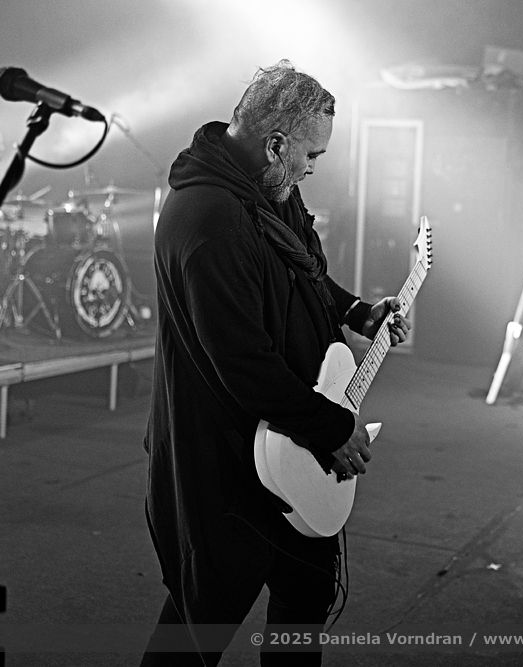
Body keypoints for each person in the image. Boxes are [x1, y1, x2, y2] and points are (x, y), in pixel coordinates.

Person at [140, 60, 410, 666]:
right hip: (226, 464)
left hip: (291, 449)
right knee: (197, 627)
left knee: (304, 599)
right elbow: (241, 362)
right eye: (311, 154)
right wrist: (332, 427)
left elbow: (304, 275)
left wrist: (358, 312)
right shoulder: (208, 218)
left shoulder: (270, 186)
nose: (314, 167)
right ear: (276, 143)